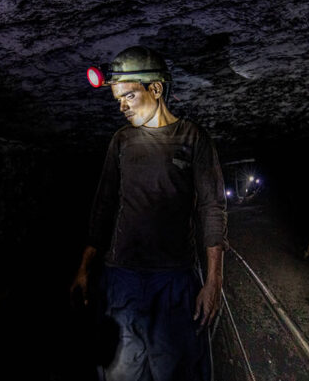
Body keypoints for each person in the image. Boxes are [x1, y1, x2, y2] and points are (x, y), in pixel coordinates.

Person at [71, 45, 229, 381]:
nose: (122, 107)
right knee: (121, 371)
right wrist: (85, 266)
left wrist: (213, 281)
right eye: (118, 100)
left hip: (174, 278)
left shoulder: (192, 138)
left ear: (155, 88)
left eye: (128, 96)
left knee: (176, 370)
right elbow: (103, 205)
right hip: (122, 277)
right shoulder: (121, 140)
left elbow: (212, 210)